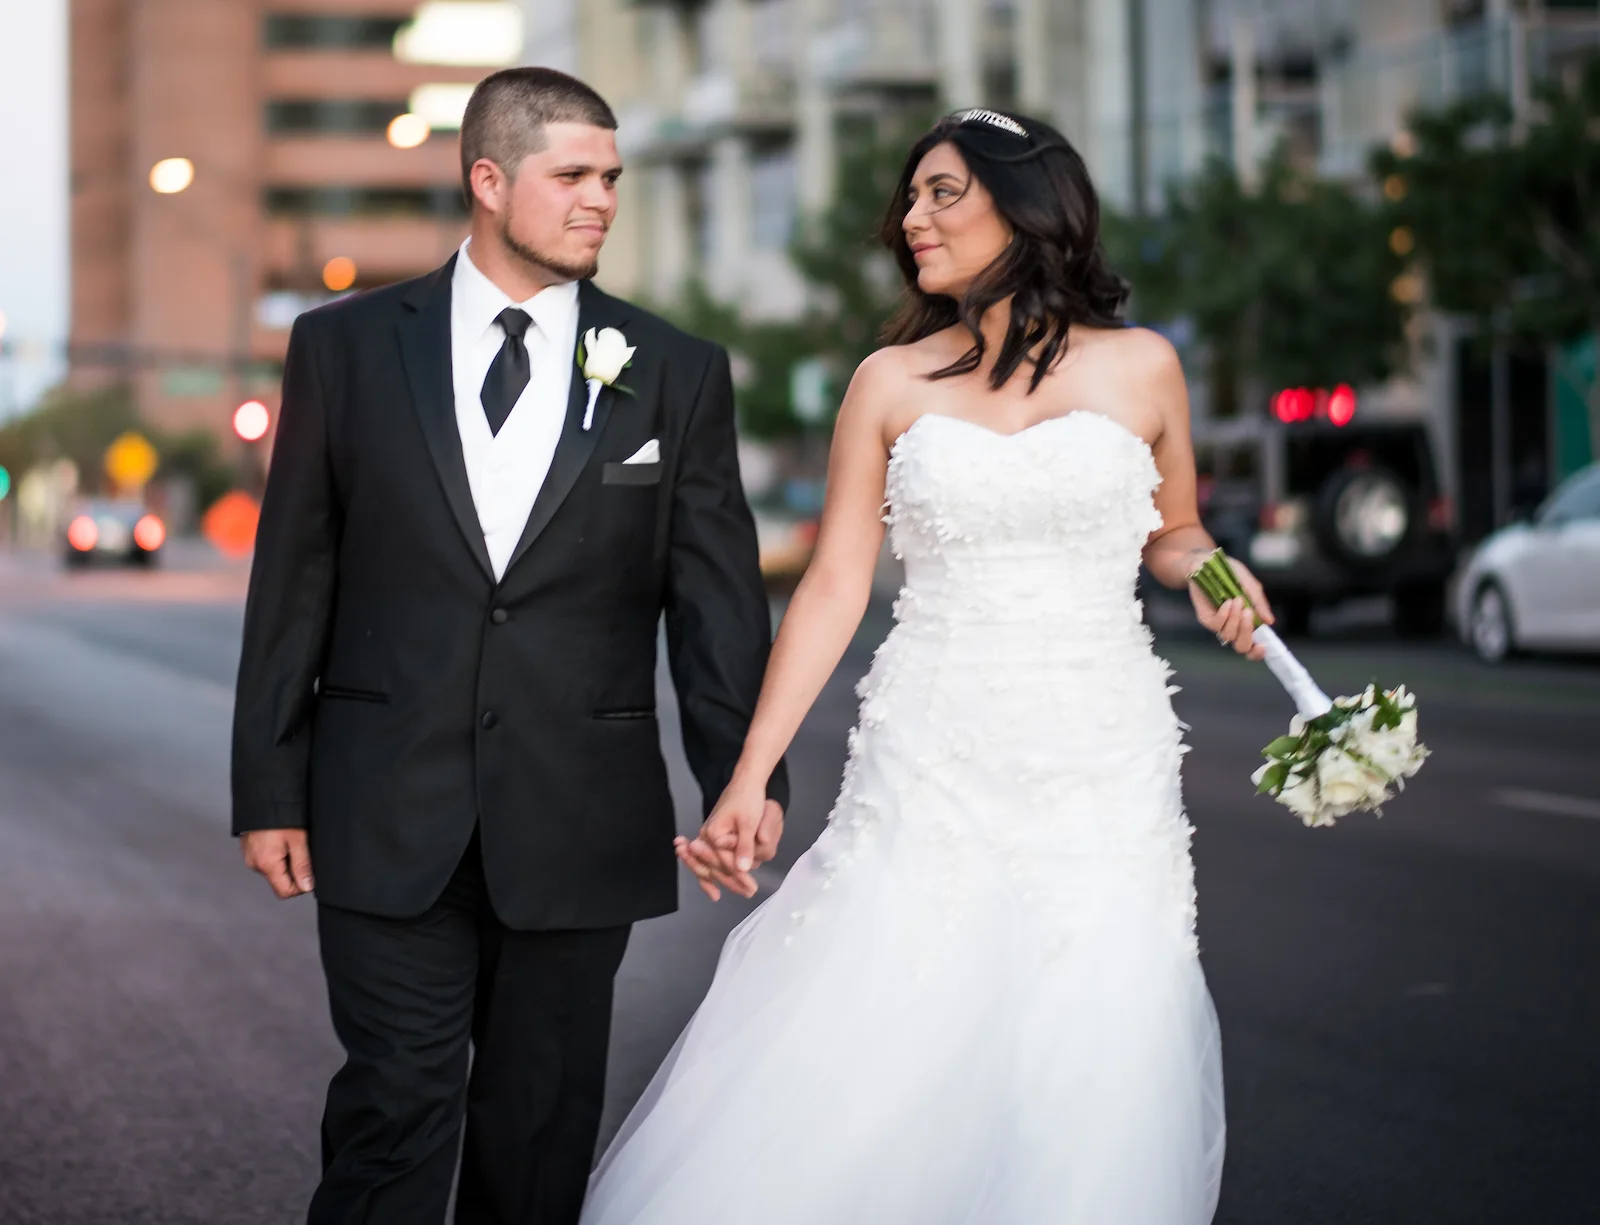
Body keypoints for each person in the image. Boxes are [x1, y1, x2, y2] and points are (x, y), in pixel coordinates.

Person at [580, 108, 1275, 1225]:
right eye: (909, 199)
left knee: (1087, 1033)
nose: (913, 218)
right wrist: (749, 774)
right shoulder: (889, 381)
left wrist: (1211, 573)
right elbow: (834, 586)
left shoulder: (1145, 367)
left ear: (1028, 200)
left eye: (941, 192)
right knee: (891, 1014)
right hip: (932, 742)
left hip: (1100, 748)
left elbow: (1173, 528)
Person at [230, 67, 786, 1225]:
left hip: (579, 811)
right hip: (383, 802)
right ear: (487, 179)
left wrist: (746, 779)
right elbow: (295, 581)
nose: (601, 201)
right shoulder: (342, 349)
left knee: (536, 1130)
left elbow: (716, 601)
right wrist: (268, 789)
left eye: (611, 179)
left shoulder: (677, 371)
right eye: (572, 175)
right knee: (394, 1102)